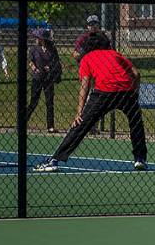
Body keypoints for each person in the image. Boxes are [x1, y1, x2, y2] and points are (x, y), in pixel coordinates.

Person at [34, 31, 147, 173]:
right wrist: (134, 92)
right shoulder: (115, 54)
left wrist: (79, 113)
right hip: (127, 91)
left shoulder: (87, 58)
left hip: (104, 92)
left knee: (81, 125)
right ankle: (140, 159)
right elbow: (136, 74)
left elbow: (85, 85)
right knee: (136, 123)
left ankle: (55, 160)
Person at [27, 28, 62, 133]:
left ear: (43, 39)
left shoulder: (52, 49)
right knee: (33, 101)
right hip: (37, 78)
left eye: (38, 38)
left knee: (49, 102)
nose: (36, 39)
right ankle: (23, 122)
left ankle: (50, 126)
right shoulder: (33, 49)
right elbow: (31, 62)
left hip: (49, 78)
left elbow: (56, 62)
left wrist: (50, 67)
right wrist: (34, 68)